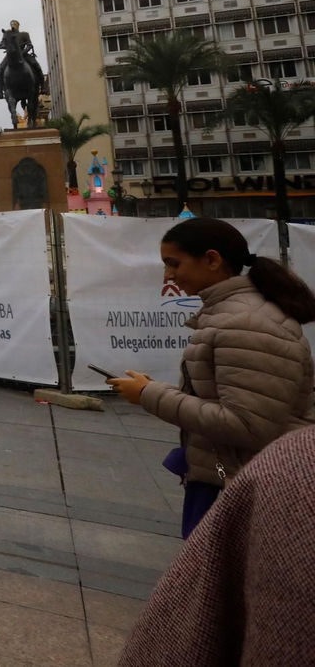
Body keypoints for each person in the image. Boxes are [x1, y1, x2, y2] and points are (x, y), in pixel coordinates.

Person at [106, 217, 314, 537]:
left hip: (246, 486)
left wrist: (148, 394)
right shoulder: (229, 314)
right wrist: (151, 389)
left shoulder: (246, 322)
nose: (168, 276)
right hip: (229, 478)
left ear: (212, 260)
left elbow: (246, 424)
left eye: (174, 263)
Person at [115, 426, 315, 667]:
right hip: (217, 463)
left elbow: (244, 420)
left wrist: (150, 395)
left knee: (203, 552)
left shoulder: (296, 468)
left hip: (228, 466)